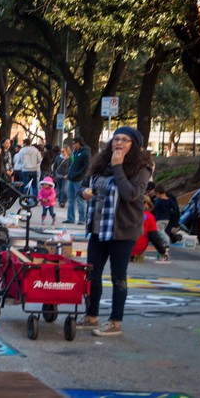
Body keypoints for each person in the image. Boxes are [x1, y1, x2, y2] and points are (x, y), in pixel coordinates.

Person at [77, 126, 152, 337]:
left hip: (123, 230)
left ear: (134, 146)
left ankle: (115, 322)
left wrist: (118, 167)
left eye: (125, 140)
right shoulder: (101, 164)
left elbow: (131, 194)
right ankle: (91, 316)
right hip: (98, 228)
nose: (119, 143)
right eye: (116, 139)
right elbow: (83, 186)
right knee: (92, 274)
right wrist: (84, 193)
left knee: (118, 277)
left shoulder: (142, 168)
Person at [131, 196, 170, 263]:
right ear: (146, 204)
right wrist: (163, 251)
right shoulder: (149, 217)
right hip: (136, 249)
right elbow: (154, 237)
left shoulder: (127, 214)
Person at [64, 136, 91, 225]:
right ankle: (70, 218)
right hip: (71, 178)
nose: (72, 145)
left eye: (74, 143)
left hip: (79, 179)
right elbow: (71, 164)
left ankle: (82, 219)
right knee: (71, 199)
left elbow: (86, 167)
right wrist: (68, 173)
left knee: (81, 200)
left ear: (79, 143)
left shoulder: (85, 153)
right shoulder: (74, 152)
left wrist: (77, 174)